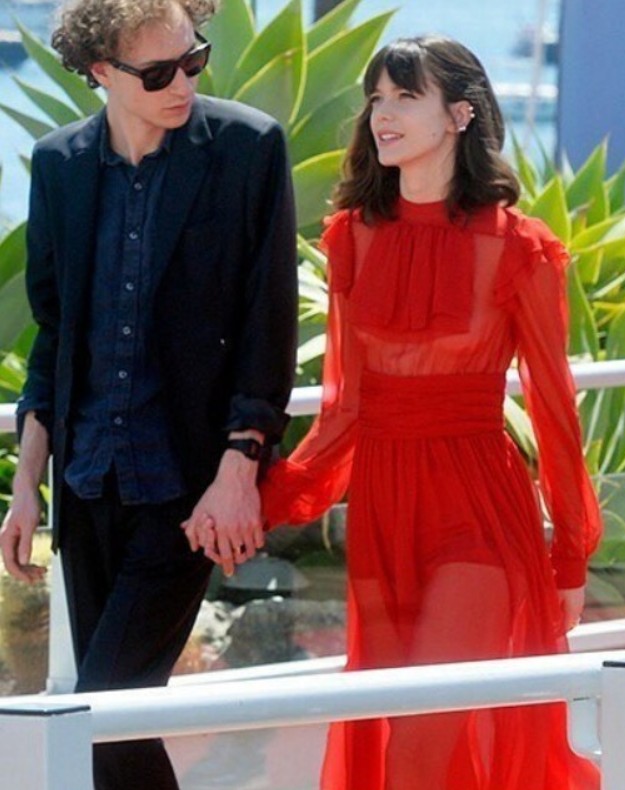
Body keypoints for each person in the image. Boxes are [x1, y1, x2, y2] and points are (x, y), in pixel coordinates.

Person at [188, 33, 601, 790]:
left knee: (420, 743)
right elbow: (345, 409)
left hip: (480, 513)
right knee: (400, 736)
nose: (382, 112)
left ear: (460, 115)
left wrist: (569, 549)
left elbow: (552, 409)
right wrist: (262, 497)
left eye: (405, 96)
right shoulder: (353, 237)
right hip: (384, 514)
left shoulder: (520, 249)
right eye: (376, 96)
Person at [0, 0, 297, 787]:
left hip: (188, 492)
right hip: (88, 483)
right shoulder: (60, 164)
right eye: (159, 72)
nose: (184, 83)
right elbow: (55, 338)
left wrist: (240, 469)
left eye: (193, 59)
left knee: (101, 711)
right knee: (113, 722)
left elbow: (267, 329)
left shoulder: (246, 150)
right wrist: (26, 486)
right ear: (100, 71)